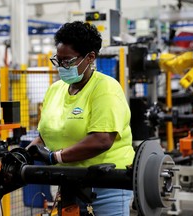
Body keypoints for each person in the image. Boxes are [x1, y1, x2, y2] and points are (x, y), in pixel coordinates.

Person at [26, 21, 135, 216]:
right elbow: (44, 136)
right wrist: (24, 155)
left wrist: (55, 157)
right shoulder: (55, 90)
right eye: (57, 60)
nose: (61, 66)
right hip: (68, 183)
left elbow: (101, 140)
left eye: (67, 61)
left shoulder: (105, 89)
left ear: (90, 57)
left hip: (105, 186)